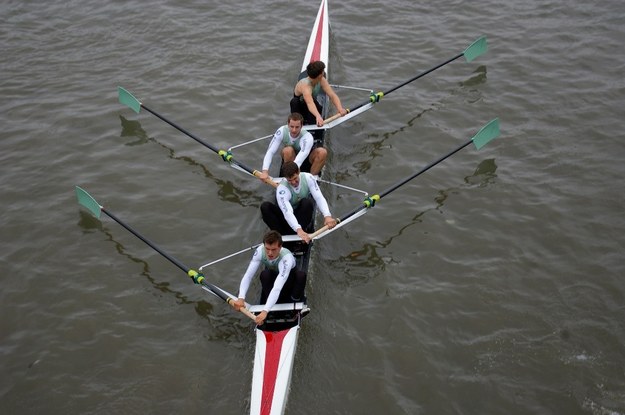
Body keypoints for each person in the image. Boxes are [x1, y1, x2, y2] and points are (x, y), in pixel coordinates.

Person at [231, 230, 306, 326]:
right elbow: (248, 275)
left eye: (274, 249)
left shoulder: (286, 259)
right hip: (275, 280)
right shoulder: (260, 251)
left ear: (280, 247)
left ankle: (294, 306)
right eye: (267, 249)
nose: (270, 253)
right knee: (264, 275)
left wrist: (265, 311)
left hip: (290, 282)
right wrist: (241, 298)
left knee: (301, 276)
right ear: (264, 246)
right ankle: (271, 306)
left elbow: (277, 287)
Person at [261, 161, 337, 244]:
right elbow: (287, 213)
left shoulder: (308, 178)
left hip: (301, 217)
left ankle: (304, 232)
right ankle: (279, 236)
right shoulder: (282, 189)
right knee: (265, 207)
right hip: (286, 219)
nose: (293, 183)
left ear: (299, 172)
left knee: (307, 202)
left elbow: (319, 198)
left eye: (295, 178)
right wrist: (298, 229)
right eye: (290, 180)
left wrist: (327, 216)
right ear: (286, 178)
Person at [258, 112, 327, 179]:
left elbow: (300, 158)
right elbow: (270, 152)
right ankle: (289, 177)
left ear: (302, 126)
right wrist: (265, 171)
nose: (294, 130)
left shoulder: (307, 137)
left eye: (297, 127)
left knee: (322, 152)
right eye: (292, 126)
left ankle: (311, 179)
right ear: (288, 124)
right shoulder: (281, 131)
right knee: (288, 150)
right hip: (290, 158)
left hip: (305, 160)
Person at [290, 60, 347, 128]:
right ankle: (297, 124)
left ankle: (314, 126)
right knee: (294, 102)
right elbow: (310, 103)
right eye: (323, 71)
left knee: (319, 108)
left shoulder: (321, 80)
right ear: (320, 75)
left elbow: (332, 95)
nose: (323, 72)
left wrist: (340, 109)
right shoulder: (306, 86)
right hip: (299, 107)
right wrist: (318, 116)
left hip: (310, 104)